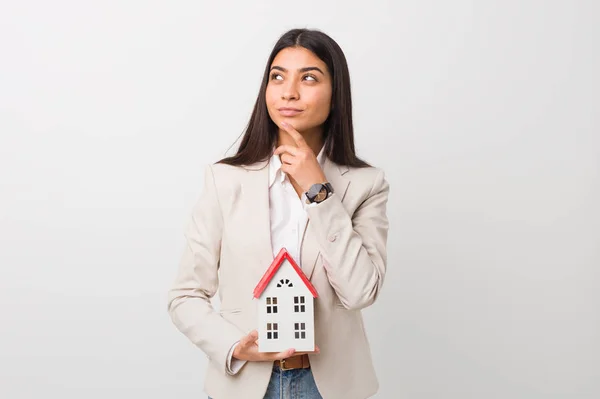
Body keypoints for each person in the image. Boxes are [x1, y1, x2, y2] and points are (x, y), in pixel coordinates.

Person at [167, 28, 390, 399]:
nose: (289, 92)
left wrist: (318, 191)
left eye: (309, 78)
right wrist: (235, 346)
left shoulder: (366, 184)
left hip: (330, 388)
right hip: (243, 384)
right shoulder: (226, 180)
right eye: (277, 76)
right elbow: (185, 294)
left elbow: (360, 291)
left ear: (336, 95)